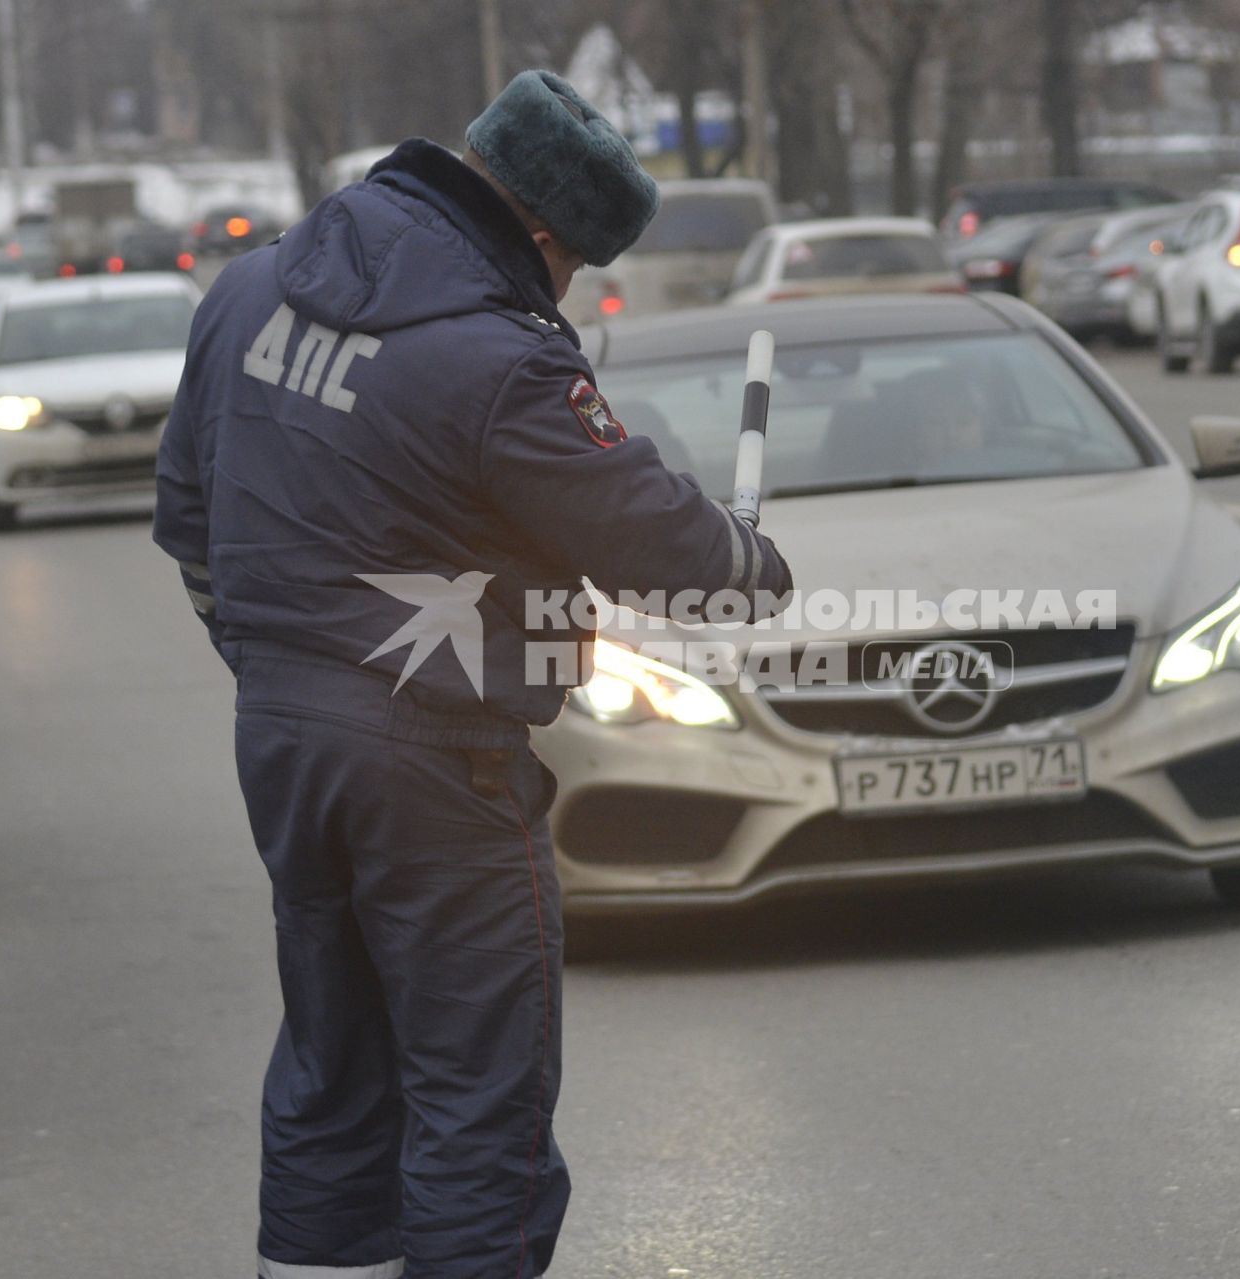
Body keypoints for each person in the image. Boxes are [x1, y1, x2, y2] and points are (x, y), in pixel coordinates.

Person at [153, 70, 792, 1279]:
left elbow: (189, 515)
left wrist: (274, 666)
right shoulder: (502, 363)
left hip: (283, 739)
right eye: (575, 266)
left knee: (335, 1068)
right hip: (441, 762)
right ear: (543, 235)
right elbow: (668, 550)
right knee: (476, 1102)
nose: (566, 292)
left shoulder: (247, 291)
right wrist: (750, 561)